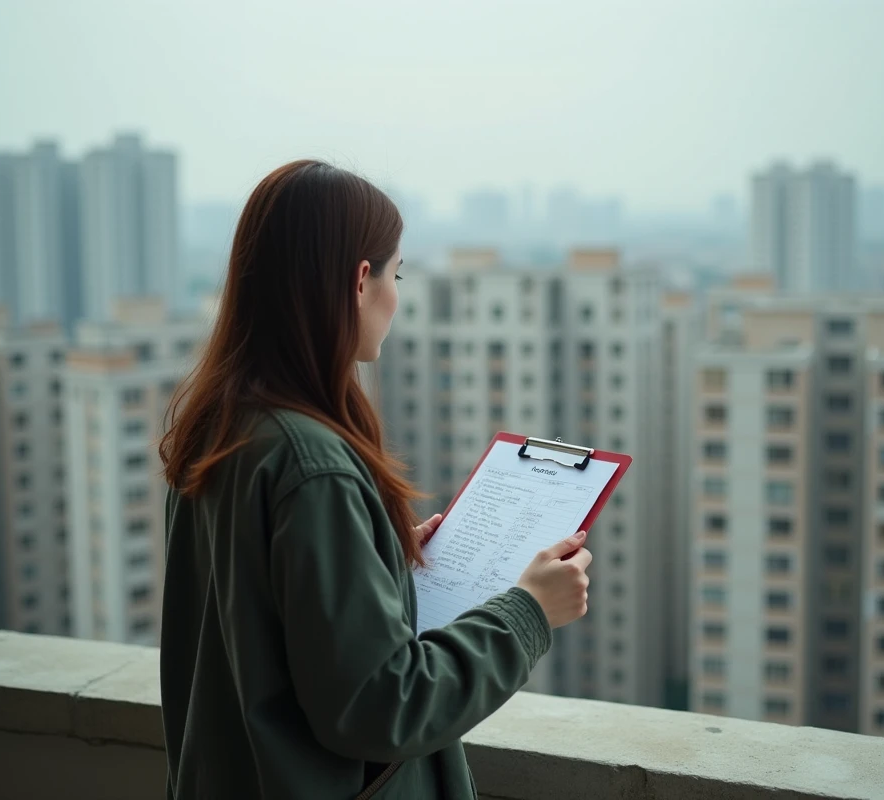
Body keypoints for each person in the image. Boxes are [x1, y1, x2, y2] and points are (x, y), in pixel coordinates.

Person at [158, 160, 592, 799]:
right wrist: (529, 612)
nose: (396, 296)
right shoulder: (314, 468)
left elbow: (258, 614)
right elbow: (382, 706)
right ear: (361, 280)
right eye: (397, 274)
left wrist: (380, 562)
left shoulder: (221, 427)